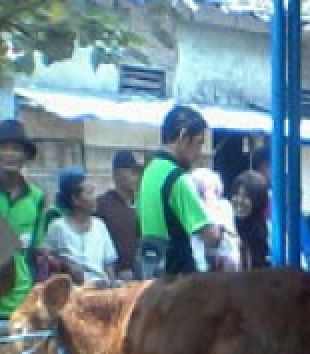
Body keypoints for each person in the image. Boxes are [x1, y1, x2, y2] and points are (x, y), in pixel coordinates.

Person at [136, 105, 222, 276]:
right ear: (183, 136)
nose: (199, 153)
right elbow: (212, 238)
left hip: (149, 276)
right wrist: (211, 197)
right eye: (199, 143)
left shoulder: (149, 171)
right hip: (176, 284)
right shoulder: (177, 179)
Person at [0, 119, 48, 319]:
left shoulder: (37, 197)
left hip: (21, 300)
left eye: (16, 149)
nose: (10, 154)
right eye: (4, 147)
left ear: (26, 156)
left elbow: (36, 251)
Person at [42, 167, 118, 287]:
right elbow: (45, 258)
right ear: (75, 199)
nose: (95, 198)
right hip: (72, 293)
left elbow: (108, 263)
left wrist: (113, 286)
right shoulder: (58, 227)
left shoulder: (100, 225)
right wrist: (66, 265)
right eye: (89, 193)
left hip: (101, 290)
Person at [95, 149, 141, 280]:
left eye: (138, 173)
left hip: (137, 276)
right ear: (117, 175)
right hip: (111, 279)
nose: (137, 178)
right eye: (132, 173)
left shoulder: (138, 206)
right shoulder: (101, 205)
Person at [189, 168, 240, 271]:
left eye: (211, 188)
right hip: (202, 262)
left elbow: (227, 233)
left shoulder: (225, 205)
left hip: (228, 259)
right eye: (201, 190)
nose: (208, 193)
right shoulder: (193, 210)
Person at [230, 170, 270, 269]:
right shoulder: (227, 223)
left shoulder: (265, 232)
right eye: (237, 194)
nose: (239, 200)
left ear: (258, 200)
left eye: (246, 196)